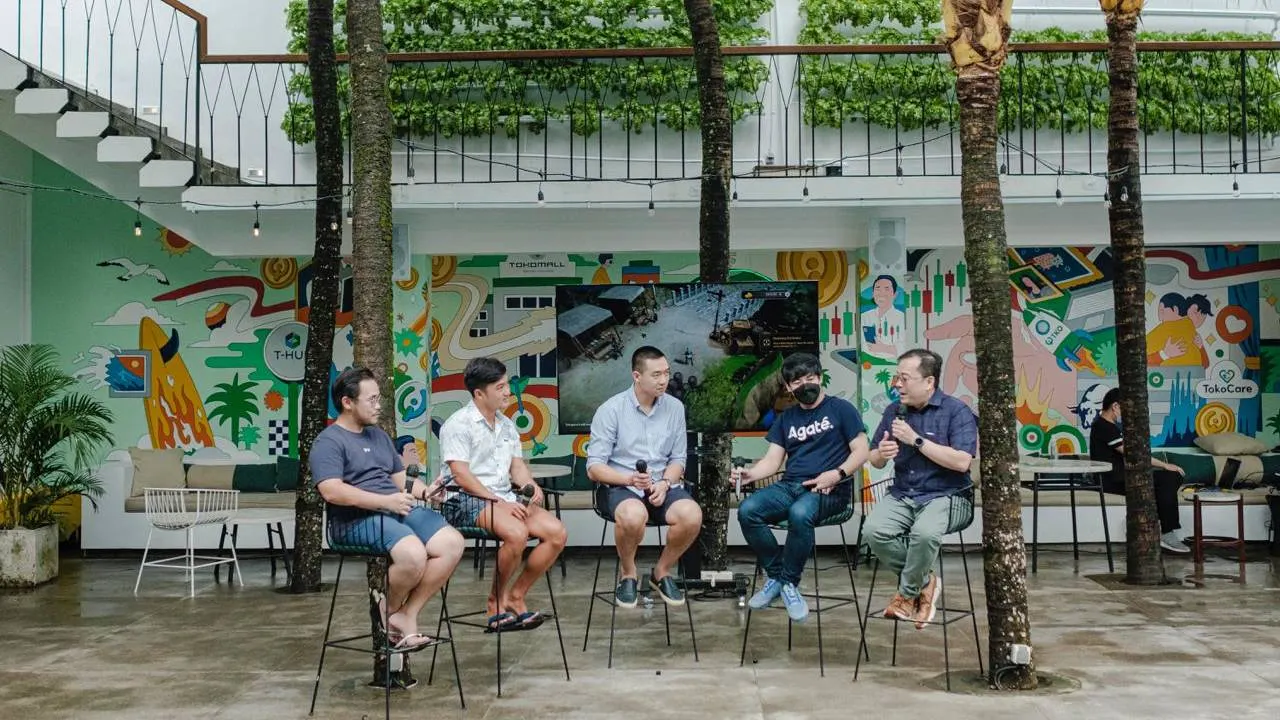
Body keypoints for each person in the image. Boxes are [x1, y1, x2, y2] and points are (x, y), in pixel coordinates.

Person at [311, 366, 464, 650]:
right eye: (372, 399)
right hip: (354, 520)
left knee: (452, 543)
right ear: (348, 402)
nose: (378, 405)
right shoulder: (328, 442)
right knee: (413, 554)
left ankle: (407, 614)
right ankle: (389, 611)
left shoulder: (378, 436)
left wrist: (427, 491)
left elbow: (399, 480)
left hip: (394, 510)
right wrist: (385, 501)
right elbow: (331, 491)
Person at [732, 352, 869, 623]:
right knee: (748, 510)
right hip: (791, 485)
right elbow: (772, 461)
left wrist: (837, 473)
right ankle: (777, 576)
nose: (804, 385)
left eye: (809, 378)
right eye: (796, 382)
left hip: (832, 489)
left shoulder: (841, 409)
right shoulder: (786, 419)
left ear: (819, 378)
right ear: (788, 387)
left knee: (799, 513)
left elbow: (862, 450)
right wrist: (750, 475)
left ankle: (789, 583)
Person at [438, 357, 568, 632]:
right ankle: (495, 603)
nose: (508, 391)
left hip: (501, 498)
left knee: (556, 532)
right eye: (500, 387)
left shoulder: (507, 425)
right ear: (479, 393)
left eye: (506, 384)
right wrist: (497, 501)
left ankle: (516, 596)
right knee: (516, 533)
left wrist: (530, 487)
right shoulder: (459, 424)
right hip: (461, 499)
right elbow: (460, 474)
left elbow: (517, 467)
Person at [864, 348, 978, 630]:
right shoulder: (893, 411)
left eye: (904, 378)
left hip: (948, 494)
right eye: (896, 377)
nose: (897, 384)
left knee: (924, 534)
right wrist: (882, 452)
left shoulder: (957, 411)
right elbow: (875, 460)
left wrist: (916, 440)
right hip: (904, 493)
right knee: (873, 531)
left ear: (929, 382)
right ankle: (926, 583)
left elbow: (962, 463)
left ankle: (905, 595)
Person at [587, 346, 703, 608]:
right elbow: (594, 467)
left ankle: (661, 572)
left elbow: (678, 460)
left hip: (663, 484)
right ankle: (628, 573)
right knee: (633, 516)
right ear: (637, 376)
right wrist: (629, 480)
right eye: (656, 375)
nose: (664, 380)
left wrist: (665, 483)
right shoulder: (611, 410)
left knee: (692, 515)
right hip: (621, 486)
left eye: (666, 373)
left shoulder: (675, 407)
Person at [1089, 388, 1189, 553]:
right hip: (1112, 480)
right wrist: (1164, 465)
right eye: (1125, 407)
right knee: (1169, 477)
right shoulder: (1104, 427)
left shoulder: (1107, 425)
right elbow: (1134, 455)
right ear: (1115, 406)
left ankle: (1154, 527)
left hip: (1122, 477)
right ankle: (1166, 531)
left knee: (1169, 480)